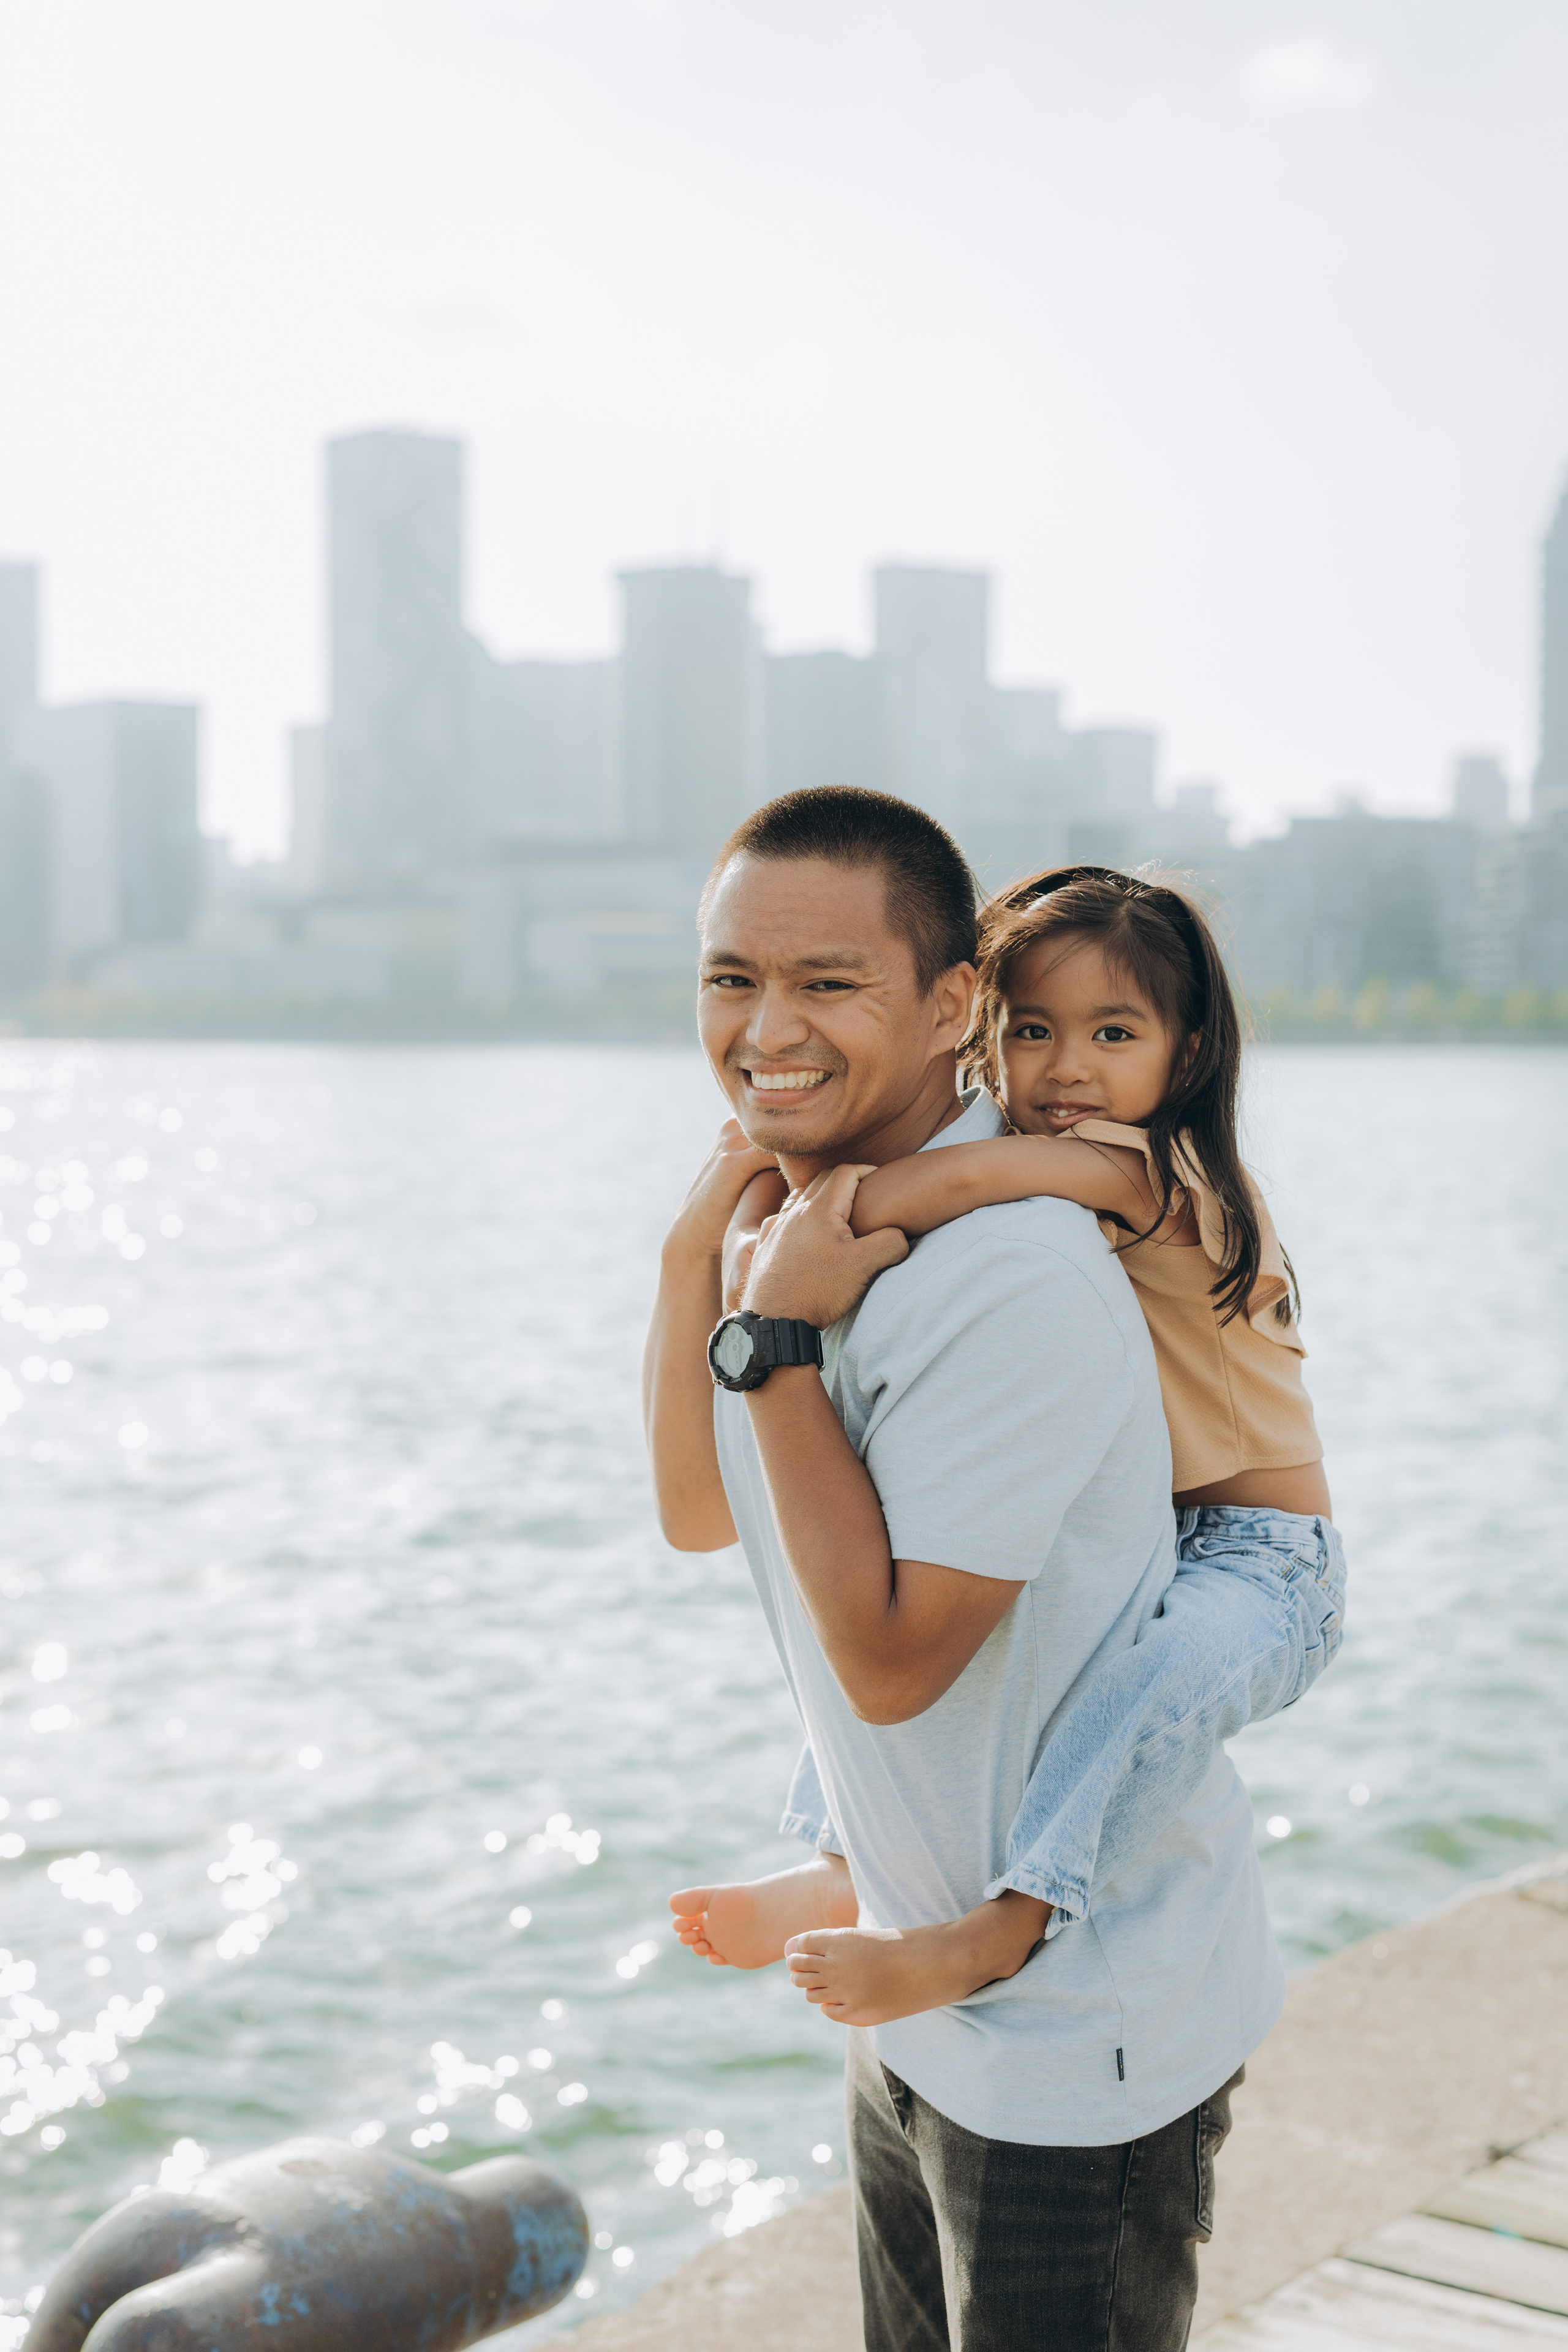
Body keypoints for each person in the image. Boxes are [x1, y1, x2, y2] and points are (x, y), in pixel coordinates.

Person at [642, 788, 1318, 2348]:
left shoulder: (1010, 1271)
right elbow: (698, 1514)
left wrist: (777, 1340)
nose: (764, 1027)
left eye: (826, 982)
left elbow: (889, 1660)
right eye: (729, 978)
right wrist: (702, 1263)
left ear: (947, 1005)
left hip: (1068, 2045)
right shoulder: (791, 1229)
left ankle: (1012, 1906)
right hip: (909, 1994)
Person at [729, 864, 1346, 2028]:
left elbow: (963, 1175)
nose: (1067, 1068)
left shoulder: (1155, 1172)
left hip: (1272, 1565)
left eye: (1114, 1032)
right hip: (1166, 1536)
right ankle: (850, 1859)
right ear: (984, 1034)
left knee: (1138, 1695)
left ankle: (1002, 1930)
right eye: (1032, 1030)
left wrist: (803, 1223)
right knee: (988, 1648)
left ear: (1192, 1051)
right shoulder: (1082, 1176)